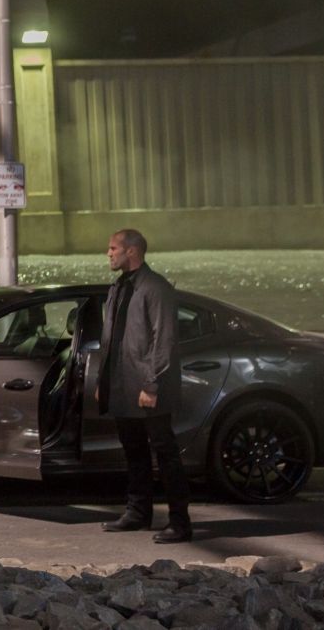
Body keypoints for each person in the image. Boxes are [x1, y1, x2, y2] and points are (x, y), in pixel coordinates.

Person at [96, 228, 192, 544]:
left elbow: (163, 340)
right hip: (124, 385)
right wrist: (104, 380)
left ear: (132, 251)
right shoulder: (119, 287)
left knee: (165, 453)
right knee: (134, 451)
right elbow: (111, 338)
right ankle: (138, 513)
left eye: (113, 248)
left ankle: (180, 522)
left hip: (149, 387)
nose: (109, 254)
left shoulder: (155, 287)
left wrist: (151, 384)